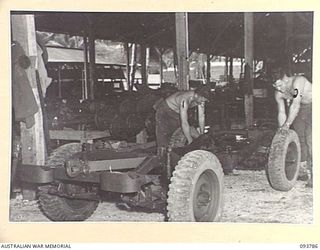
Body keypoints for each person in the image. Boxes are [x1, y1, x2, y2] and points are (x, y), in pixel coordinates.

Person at [271, 64, 312, 187]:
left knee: (311, 139)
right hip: (303, 109)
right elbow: (282, 112)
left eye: (280, 85)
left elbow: (295, 105)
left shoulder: (297, 81)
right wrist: (282, 129)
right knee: (300, 138)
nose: (279, 89)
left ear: (286, 79)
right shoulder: (278, 93)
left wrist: (288, 124)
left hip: (315, 104)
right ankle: (303, 170)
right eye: (275, 86)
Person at [153, 85, 211, 156]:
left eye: (204, 100)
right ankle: (161, 158)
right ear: (196, 95)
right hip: (165, 111)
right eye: (202, 100)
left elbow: (201, 117)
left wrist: (202, 135)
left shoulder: (200, 98)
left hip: (176, 113)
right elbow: (184, 122)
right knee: (164, 139)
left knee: (188, 132)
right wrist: (190, 141)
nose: (203, 102)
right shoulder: (184, 99)